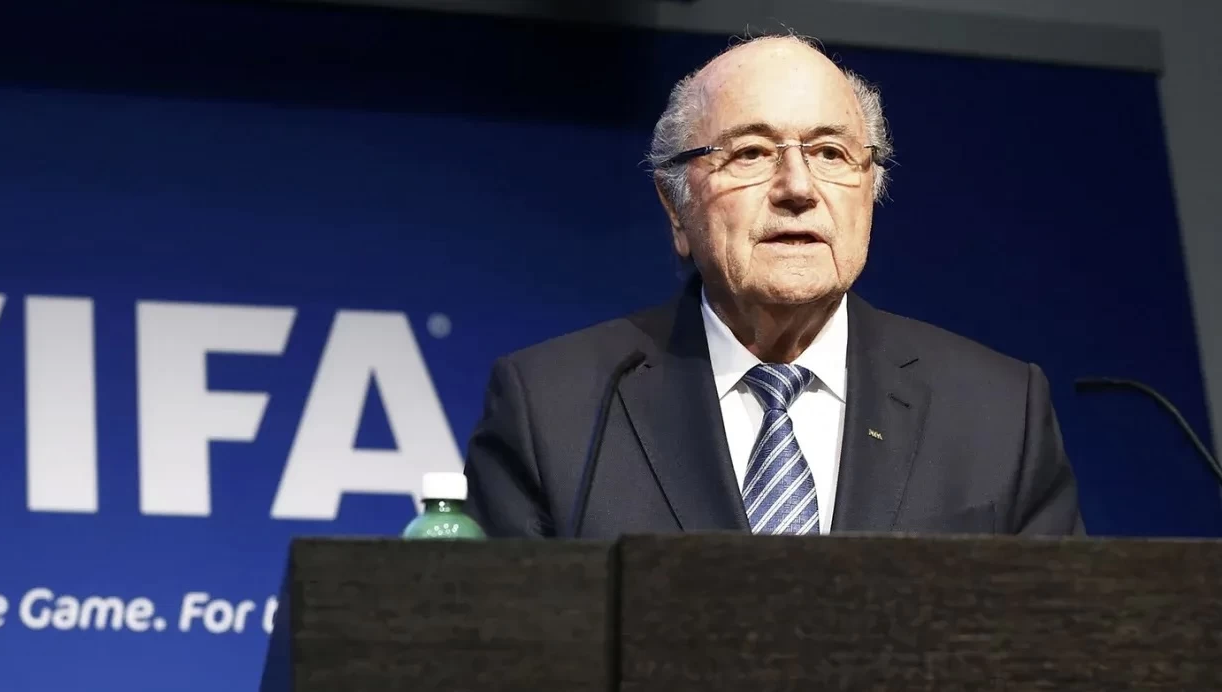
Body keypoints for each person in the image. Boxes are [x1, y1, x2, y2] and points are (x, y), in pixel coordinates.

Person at [461, 33, 1085, 538]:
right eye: (752, 153)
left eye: (831, 153)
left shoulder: (999, 411)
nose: (798, 188)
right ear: (676, 208)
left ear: (870, 191)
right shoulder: (554, 408)